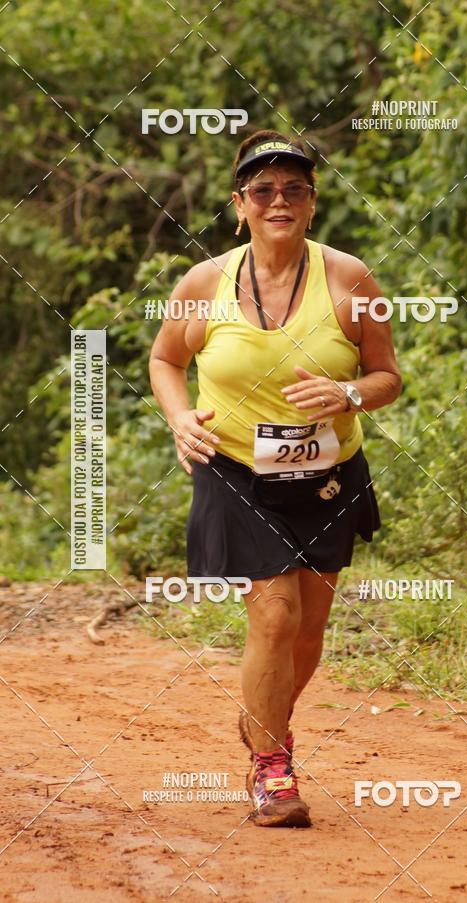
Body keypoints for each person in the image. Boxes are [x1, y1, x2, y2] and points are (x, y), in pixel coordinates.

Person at [149, 129, 401, 828]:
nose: (278, 199)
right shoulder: (204, 284)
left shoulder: (351, 280)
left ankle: (265, 723)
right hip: (234, 470)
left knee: (308, 633)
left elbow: (388, 376)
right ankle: (272, 766)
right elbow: (166, 360)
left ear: (313, 205)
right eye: (263, 189)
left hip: (327, 477)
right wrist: (179, 419)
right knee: (275, 611)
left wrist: (348, 394)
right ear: (240, 205)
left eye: (294, 188)